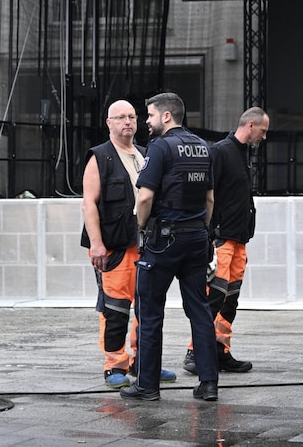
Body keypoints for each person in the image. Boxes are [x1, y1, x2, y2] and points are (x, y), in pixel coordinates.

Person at [120, 92, 220, 402]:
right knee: (200, 312)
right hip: (195, 237)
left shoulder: (160, 147)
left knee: (150, 311)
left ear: (166, 116)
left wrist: (140, 226)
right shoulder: (203, 147)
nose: (146, 122)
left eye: (149, 115)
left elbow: (146, 197)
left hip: (164, 239)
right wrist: (201, 230)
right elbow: (210, 199)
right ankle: (209, 384)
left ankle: (147, 385)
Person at [81, 99, 177, 389]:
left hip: (146, 244)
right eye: (120, 117)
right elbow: (89, 204)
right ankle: (114, 365)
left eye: (132, 117)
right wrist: (96, 244)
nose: (128, 122)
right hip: (114, 246)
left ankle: (143, 362)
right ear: (108, 123)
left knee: (146, 305)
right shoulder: (100, 157)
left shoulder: (146, 154)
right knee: (116, 307)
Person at [182, 107, 269, 375]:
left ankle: (220, 351)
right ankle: (196, 352)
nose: (264, 137)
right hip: (222, 239)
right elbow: (206, 194)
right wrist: (210, 235)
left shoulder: (242, 154)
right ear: (251, 125)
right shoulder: (221, 151)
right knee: (213, 298)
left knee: (229, 299)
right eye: (263, 131)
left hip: (238, 238)